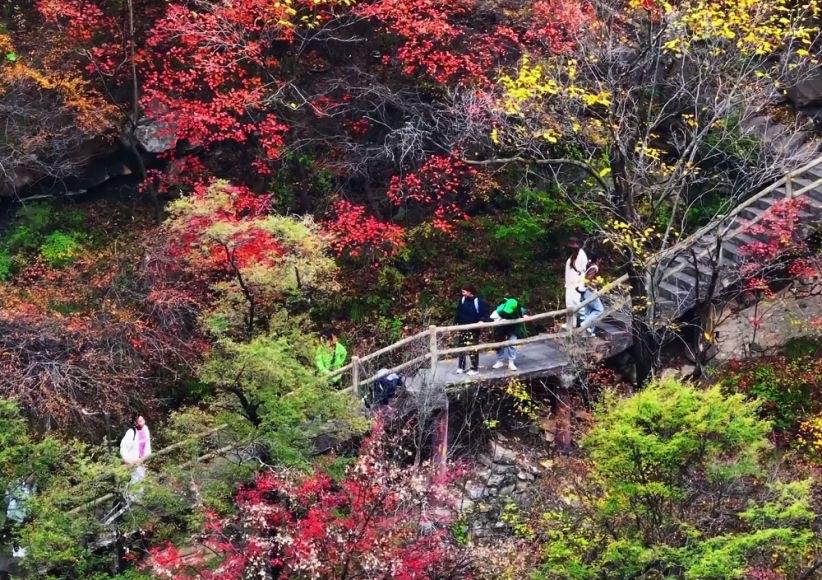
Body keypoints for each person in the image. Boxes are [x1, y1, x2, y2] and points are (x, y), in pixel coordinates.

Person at [454, 284, 491, 375]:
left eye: (464, 291)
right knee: (461, 347)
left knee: (473, 348)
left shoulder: (478, 301)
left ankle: (474, 368)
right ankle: (461, 367)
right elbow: (458, 312)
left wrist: (481, 321)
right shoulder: (462, 300)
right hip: (463, 328)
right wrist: (456, 323)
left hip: (474, 329)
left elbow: (485, 313)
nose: (462, 293)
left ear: (470, 292)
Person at [490, 295, 526, 371]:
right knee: (499, 344)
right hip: (501, 327)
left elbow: (524, 313)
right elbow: (493, 316)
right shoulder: (500, 309)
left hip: (513, 327)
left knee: (512, 343)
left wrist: (525, 315)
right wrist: (498, 321)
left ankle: (511, 362)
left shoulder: (519, 308)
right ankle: (500, 361)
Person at [120, 415, 152, 497]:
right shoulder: (131, 432)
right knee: (135, 480)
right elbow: (123, 446)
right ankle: (132, 499)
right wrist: (127, 460)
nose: (143, 422)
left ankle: (139, 499)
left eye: (143, 420)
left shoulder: (146, 429)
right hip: (134, 461)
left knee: (141, 478)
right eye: (140, 421)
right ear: (135, 423)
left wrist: (148, 456)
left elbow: (147, 444)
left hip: (143, 459)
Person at [564, 238, 588, 329]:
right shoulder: (572, 256)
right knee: (569, 304)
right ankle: (570, 324)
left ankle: (583, 324)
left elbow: (582, 271)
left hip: (576, 284)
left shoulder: (582, 255)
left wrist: (580, 285)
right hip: (569, 284)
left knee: (577, 305)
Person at [578, 262, 604, 336]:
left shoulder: (588, 267)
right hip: (589, 292)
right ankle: (585, 323)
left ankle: (588, 331)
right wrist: (592, 287)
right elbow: (588, 278)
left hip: (584, 292)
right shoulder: (594, 268)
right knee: (599, 309)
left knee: (588, 312)